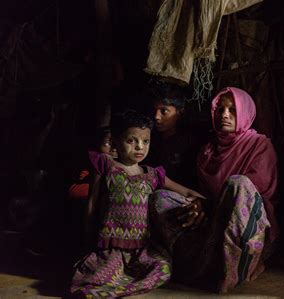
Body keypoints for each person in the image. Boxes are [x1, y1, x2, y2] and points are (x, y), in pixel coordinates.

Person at [149, 87, 278, 293]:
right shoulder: (207, 151)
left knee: (239, 184)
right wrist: (198, 207)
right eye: (220, 109)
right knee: (160, 198)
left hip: (249, 227)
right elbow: (203, 195)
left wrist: (209, 206)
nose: (224, 115)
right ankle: (201, 265)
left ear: (245, 112)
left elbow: (254, 192)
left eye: (232, 109)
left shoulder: (259, 145)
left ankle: (242, 263)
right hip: (212, 220)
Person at [70, 110, 204, 298]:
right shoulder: (106, 166)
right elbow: (92, 205)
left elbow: (186, 192)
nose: (139, 147)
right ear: (116, 140)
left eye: (145, 141)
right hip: (111, 249)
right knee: (94, 277)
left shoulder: (152, 174)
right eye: (131, 141)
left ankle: (125, 286)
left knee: (163, 268)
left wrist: (203, 203)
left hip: (141, 250)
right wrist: (88, 241)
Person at [143, 81, 201, 188]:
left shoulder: (188, 143)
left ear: (179, 112)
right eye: (154, 110)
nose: (156, 116)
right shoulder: (148, 139)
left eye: (164, 111)